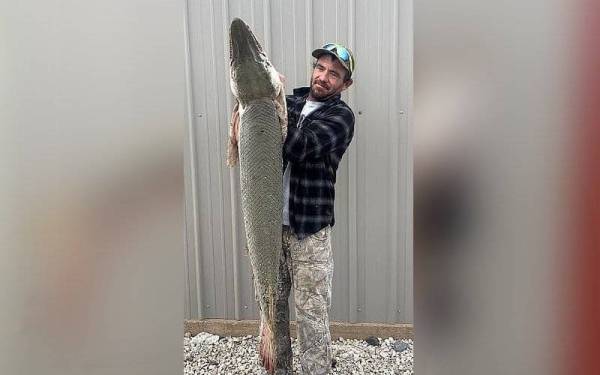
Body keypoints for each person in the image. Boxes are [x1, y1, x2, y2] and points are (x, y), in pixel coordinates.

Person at [272, 43, 356, 375]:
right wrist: (267, 95)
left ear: (345, 84)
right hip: (269, 230)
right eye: (320, 68)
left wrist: (271, 100)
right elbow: (255, 125)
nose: (323, 76)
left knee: (312, 316)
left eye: (334, 73)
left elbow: (299, 146)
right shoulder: (289, 101)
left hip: (310, 232)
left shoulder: (341, 117)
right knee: (273, 311)